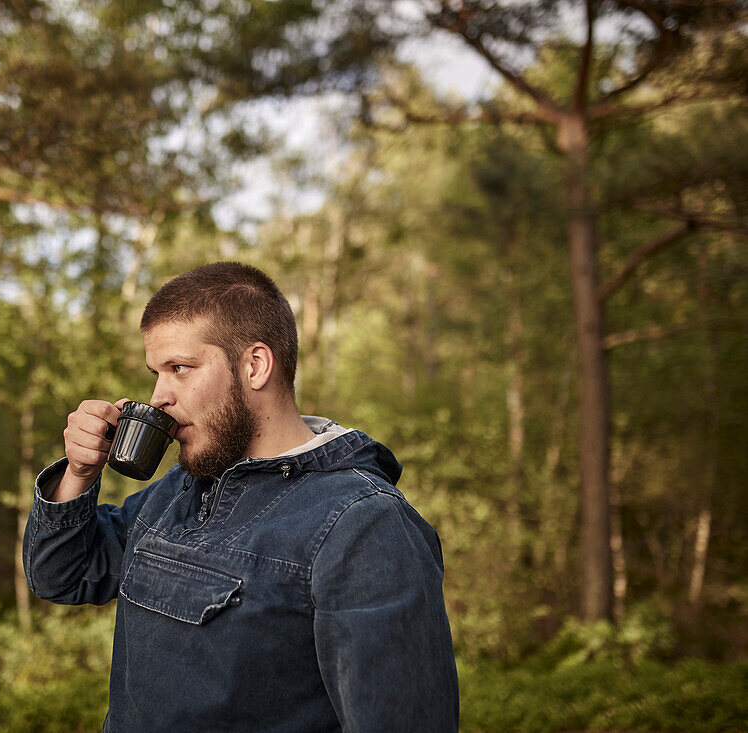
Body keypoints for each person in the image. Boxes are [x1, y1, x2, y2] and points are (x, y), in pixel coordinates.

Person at [23, 262, 459, 732]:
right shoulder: (180, 489)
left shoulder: (364, 524)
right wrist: (80, 473)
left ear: (255, 366)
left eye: (180, 369)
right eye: (156, 372)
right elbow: (60, 576)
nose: (158, 396)